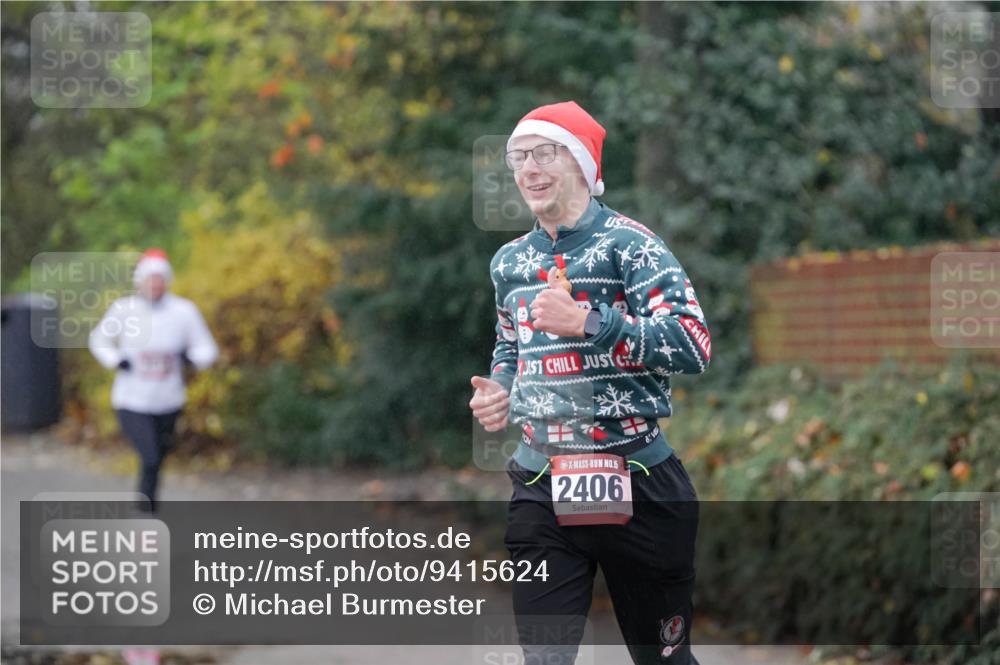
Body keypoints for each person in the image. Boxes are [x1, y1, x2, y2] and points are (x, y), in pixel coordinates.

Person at [470, 101, 712, 664]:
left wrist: (588, 322)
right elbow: (511, 345)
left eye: (543, 153)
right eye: (517, 156)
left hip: (639, 476)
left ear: (580, 162)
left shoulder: (633, 247)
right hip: (543, 482)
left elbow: (693, 345)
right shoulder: (509, 263)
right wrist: (501, 388)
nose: (527, 168)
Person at [89, 248, 218, 512]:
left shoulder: (183, 312)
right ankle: (146, 512)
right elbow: (98, 339)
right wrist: (115, 360)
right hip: (131, 399)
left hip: (169, 398)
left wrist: (192, 358)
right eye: (150, 279)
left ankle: (148, 504)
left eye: (159, 280)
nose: (155, 285)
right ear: (140, 282)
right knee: (149, 455)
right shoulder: (124, 310)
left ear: (166, 282)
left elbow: (206, 348)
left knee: (158, 456)